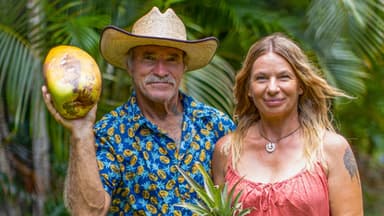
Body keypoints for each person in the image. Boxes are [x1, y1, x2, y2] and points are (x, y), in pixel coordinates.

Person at [42, 7, 235, 215]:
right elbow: (87, 212)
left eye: (171, 59)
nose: (161, 71)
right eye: (149, 58)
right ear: (130, 65)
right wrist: (80, 133)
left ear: (184, 66)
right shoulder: (110, 133)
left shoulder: (216, 125)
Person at [212, 33, 363, 215]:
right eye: (261, 78)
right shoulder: (227, 151)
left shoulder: (331, 149)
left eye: (284, 77)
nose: (273, 88)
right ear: (249, 89)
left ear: (300, 85)